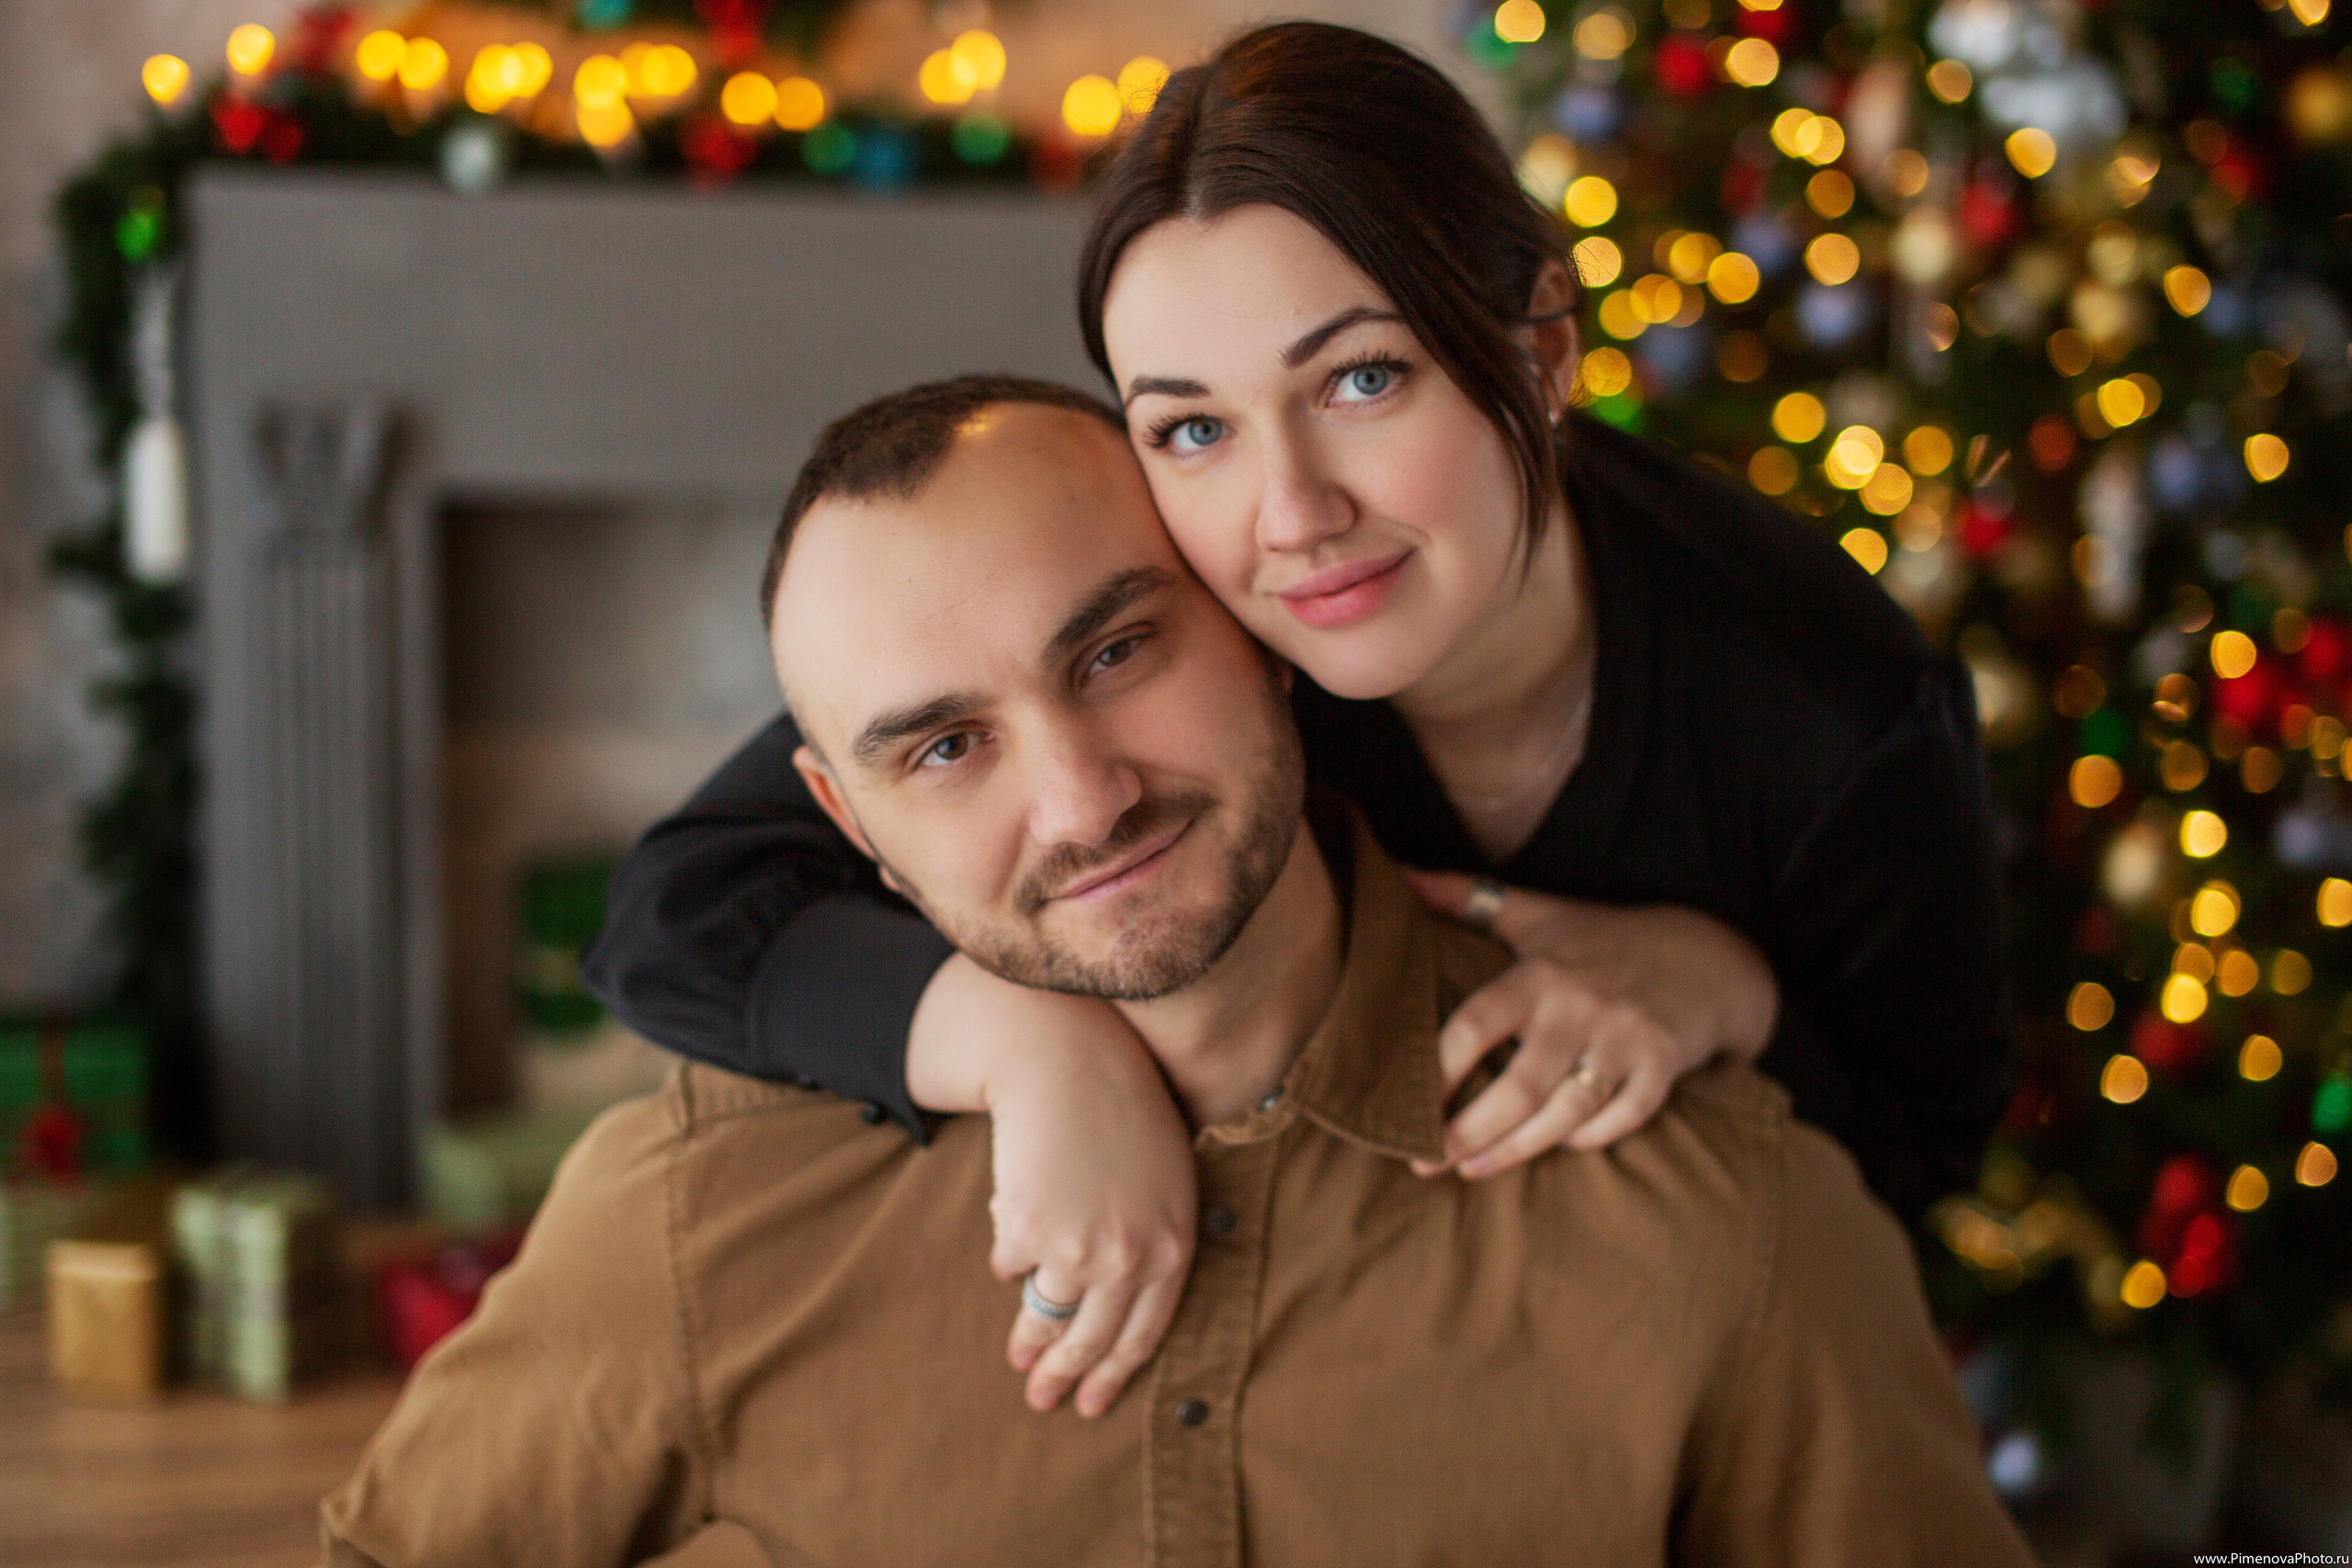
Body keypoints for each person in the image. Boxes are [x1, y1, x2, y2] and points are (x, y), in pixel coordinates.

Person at [324, 380, 2034, 1568]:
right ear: (839, 818)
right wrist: (1028, 1050)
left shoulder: (1722, 1217)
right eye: (942, 749)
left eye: (1121, 649)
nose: (1082, 795)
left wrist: (1724, 977)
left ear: (1271, 638)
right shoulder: (694, 1217)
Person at [582, 21, 2008, 1420]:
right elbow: (678, 906)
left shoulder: (1835, 714)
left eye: (1363, 380)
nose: (1291, 519)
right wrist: (1034, 1050)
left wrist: (1728, 989)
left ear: (1544, 349)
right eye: (1193, 427)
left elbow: (1922, 1158)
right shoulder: (1164, 621)